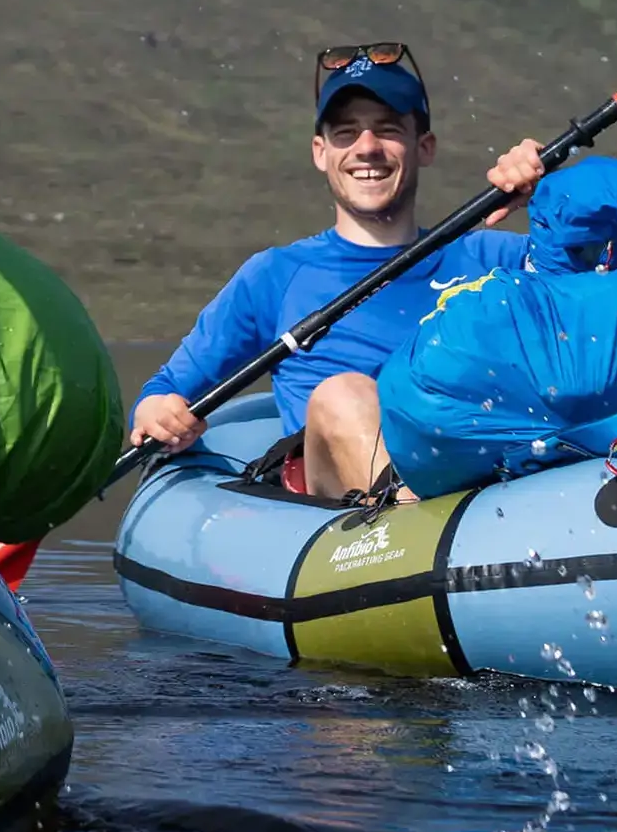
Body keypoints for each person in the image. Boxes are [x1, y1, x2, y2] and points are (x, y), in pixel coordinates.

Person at [126, 44, 546, 499]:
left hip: (486, 472)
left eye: (387, 130)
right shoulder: (274, 276)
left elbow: (613, 282)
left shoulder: (496, 258)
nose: (367, 149)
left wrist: (549, 195)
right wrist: (157, 411)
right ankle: (413, 508)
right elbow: (167, 389)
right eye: (346, 133)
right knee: (342, 395)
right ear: (320, 152)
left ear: (423, 147)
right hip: (352, 508)